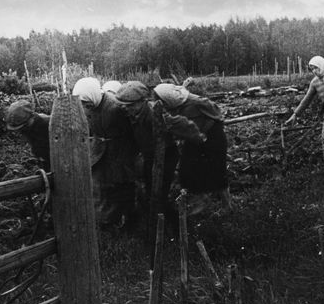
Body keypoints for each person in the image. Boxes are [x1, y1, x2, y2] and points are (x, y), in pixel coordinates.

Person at [153, 83, 231, 213]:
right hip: (194, 138)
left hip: (213, 137)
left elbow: (216, 113)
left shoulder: (197, 102)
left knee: (218, 171)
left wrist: (207, 129)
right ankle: (201, 200)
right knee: (187, 169)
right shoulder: (172, 106)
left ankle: (227, 206)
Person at [72, 77, 139, 229]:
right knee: (100, 185)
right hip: (100, 150)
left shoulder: (115, 107)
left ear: (93, 95)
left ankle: (129, 219)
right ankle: (106, 220)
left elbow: (130, 133)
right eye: (81, 103)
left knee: (122, 185)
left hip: (119, 153)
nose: (84, 106)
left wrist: (127, 155)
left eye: (85, 102)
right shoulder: (92, 106)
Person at [115, 81, 180, 222]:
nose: (126, 109)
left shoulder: (154, 115)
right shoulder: (131, 115)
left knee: (160, 190)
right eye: (124, 106)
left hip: (165, 155)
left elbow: (167, 141)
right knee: (149, 186)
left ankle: (169, 220)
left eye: (130, 106)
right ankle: (154, 216)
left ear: (142, 101)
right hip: (149, 155)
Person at [6, 100, 50, 171]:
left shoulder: (49, 125)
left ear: (31, 117)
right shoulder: (28, 128)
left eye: (23, 127)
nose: (21, 131)